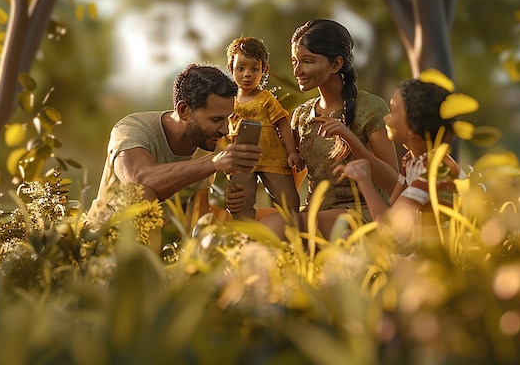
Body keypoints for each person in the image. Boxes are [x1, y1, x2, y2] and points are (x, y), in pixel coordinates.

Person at [227, 19, 399, 237]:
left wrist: (350, 140)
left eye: (307, 61)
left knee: (275, 227)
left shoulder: (370, 108)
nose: (297, 71)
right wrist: (239, 191)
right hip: (316, 213)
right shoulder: (301, 115)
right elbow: (288, 179)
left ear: (336, 64)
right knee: (245, 226)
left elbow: (393, 185)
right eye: (294, 61)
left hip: (361, 214)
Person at [86, 63, 262, 232]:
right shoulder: (131, 129)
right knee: (142, 194)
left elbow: (197, 220)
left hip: (163, 248)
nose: (225, 130)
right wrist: (214, 163)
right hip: (104, 242)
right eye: (216, 120)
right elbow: (140, 181)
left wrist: (233, 206)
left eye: (227, 119)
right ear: (184, 110)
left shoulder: (207, 145)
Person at [333, 77, 466, 237]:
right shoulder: (411, 160)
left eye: (393, 112)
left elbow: (391, 226)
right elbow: (393, 206)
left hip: (437, 251)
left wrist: (364, 181)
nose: (386, 118)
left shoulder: (434, 170)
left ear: (411, 127)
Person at [223, 36, 302, 219]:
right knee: (240, 203)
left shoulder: (266, 98)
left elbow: (282, 123)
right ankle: (245, 239)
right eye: (240, 68)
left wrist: (291, 152)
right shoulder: (228, 101)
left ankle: (292, 235)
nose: (247, 74)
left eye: (254, 69)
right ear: (231, 68)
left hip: (273, 157)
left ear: (264, 70)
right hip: (241, 160)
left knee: (288, 201)